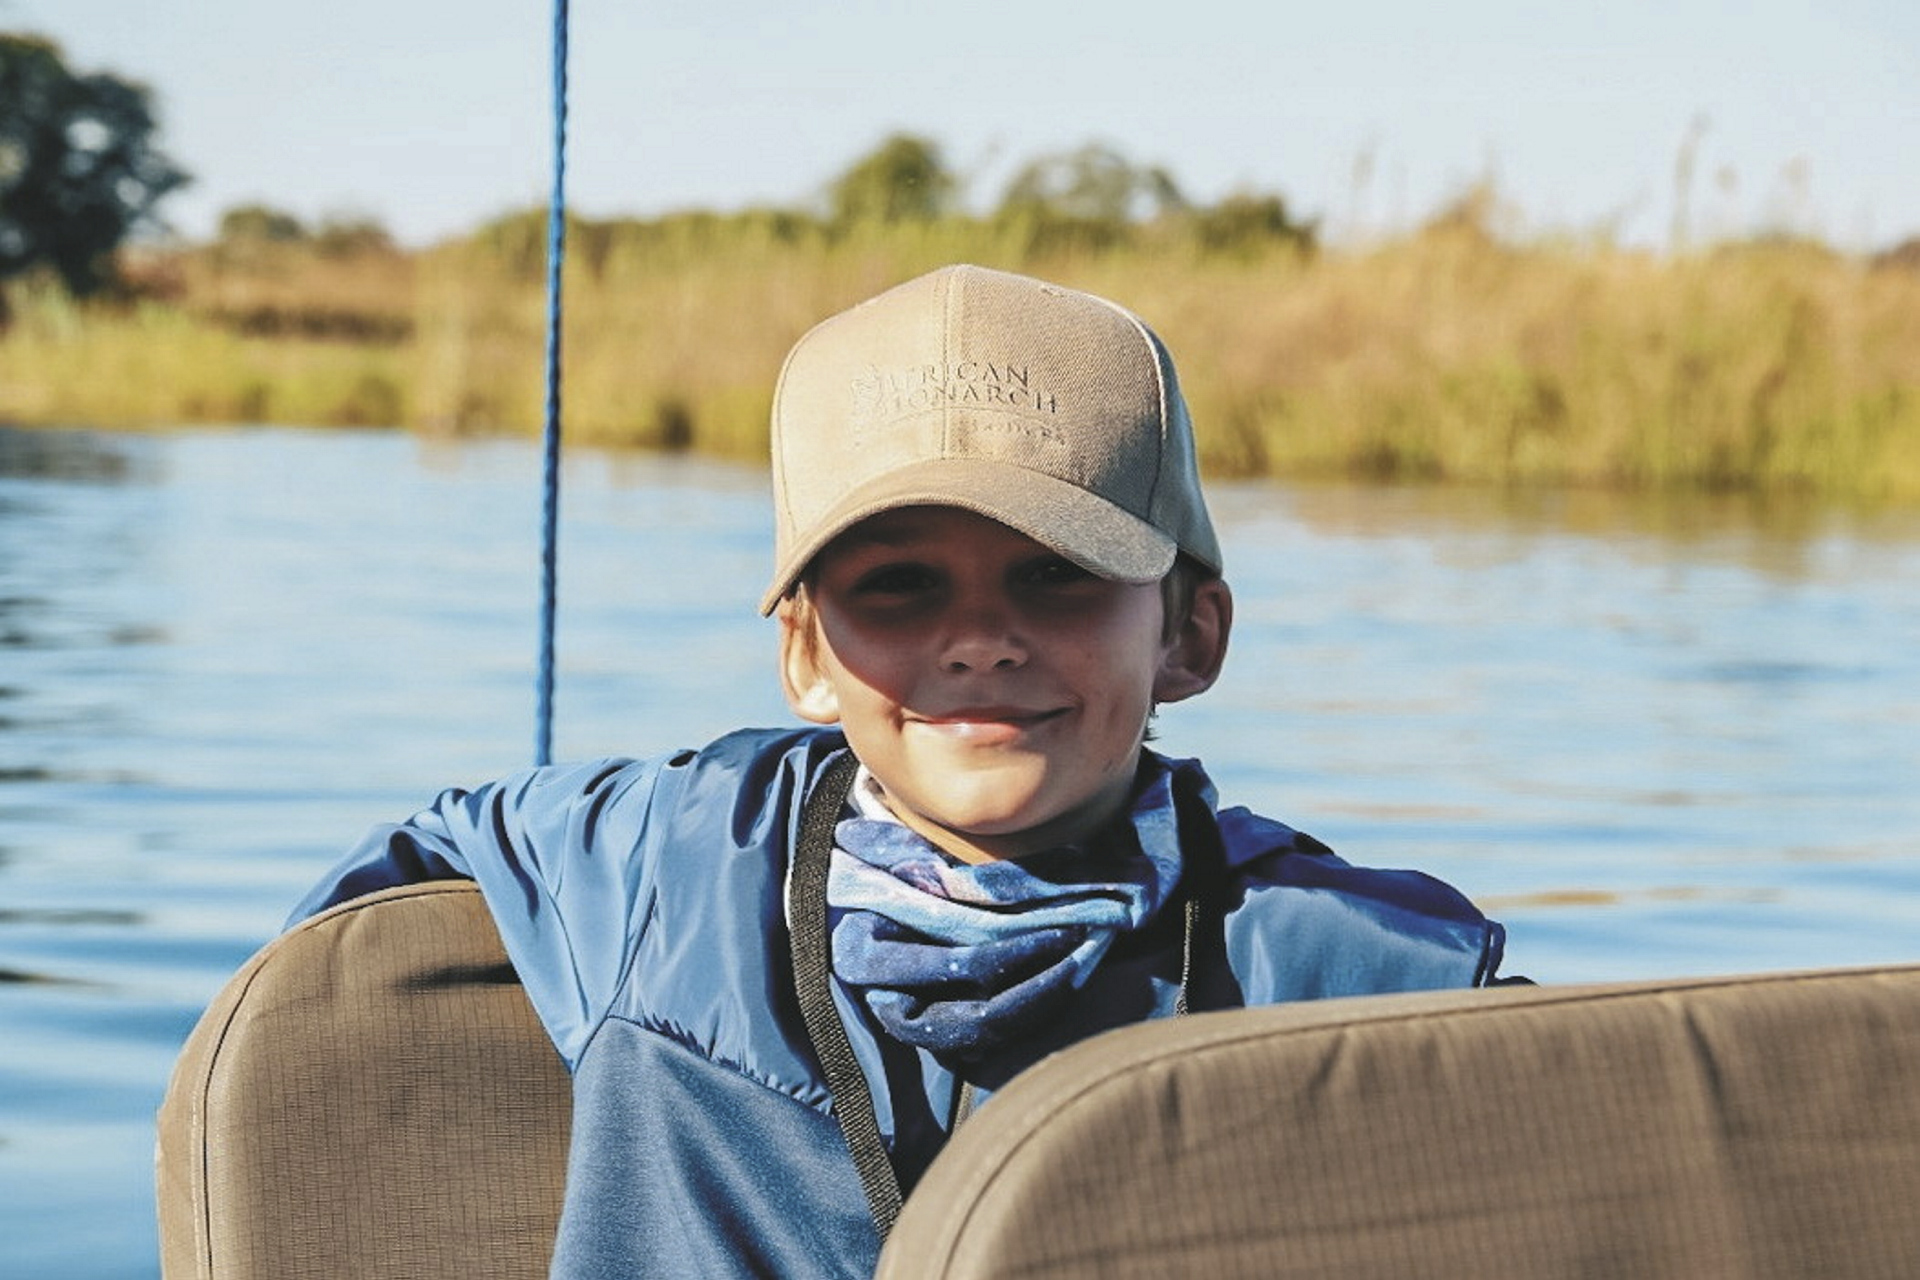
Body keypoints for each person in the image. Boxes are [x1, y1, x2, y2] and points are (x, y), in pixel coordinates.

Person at [289, 263, 1512, 1278]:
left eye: (1058, 571)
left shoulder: (1349, 964)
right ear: (805, 654)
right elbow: (389, 891)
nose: (978, 638)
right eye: (898, 584)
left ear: (1189, 633)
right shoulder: (660, 863)